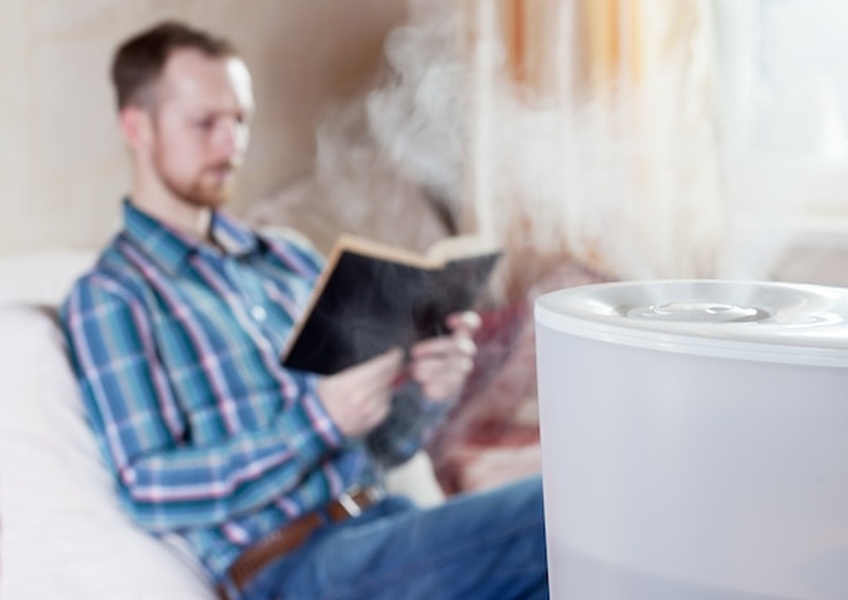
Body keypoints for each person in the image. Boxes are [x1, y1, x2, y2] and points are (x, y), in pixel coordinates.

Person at [60, 20, 548, 600]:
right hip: (295, 567)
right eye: (205, 123)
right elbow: (148, 488)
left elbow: (380, 444)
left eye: (239, 119)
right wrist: (318, 422)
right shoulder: (114, 296)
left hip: (386, 525)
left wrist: (425, 394)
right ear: (136, 126)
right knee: (566, 511)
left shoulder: (285, 257)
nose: (231, 142)